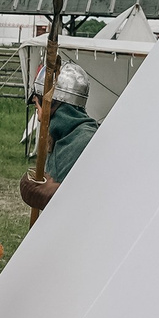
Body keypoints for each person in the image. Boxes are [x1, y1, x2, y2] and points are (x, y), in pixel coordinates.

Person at [17, 62, 98, 212]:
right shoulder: (60, 137)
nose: (39, 118)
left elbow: (92, 197)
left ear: (51, 103)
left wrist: (52, 194)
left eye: (37, 106)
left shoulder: (87, 140)